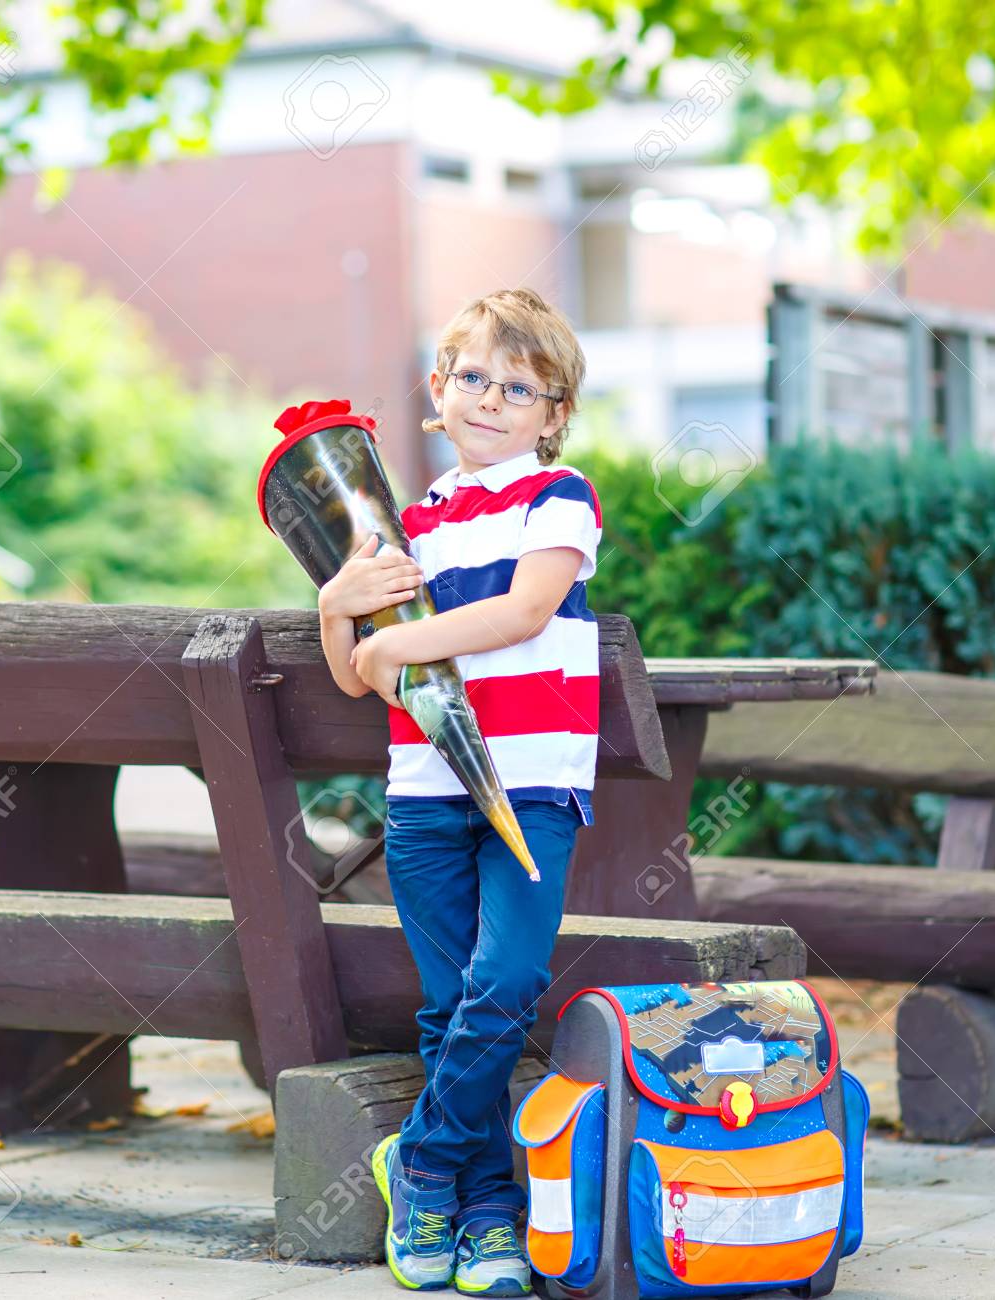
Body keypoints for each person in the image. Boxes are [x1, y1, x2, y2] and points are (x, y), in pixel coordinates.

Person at [317, 287, 602, 1295]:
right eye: (471, 377)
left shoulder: (557, 496)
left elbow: (525, 612)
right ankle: (483, 1213)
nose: (489, 398)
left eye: (517, 386)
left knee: (506, 981)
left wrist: (395, 636)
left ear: (551, 412)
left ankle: (421, 1161)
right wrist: (337, 609)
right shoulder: (408, 526)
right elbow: (363, 675)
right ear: (437, 391)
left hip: (530, 787)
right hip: (425, 795)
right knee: (449, 1005)